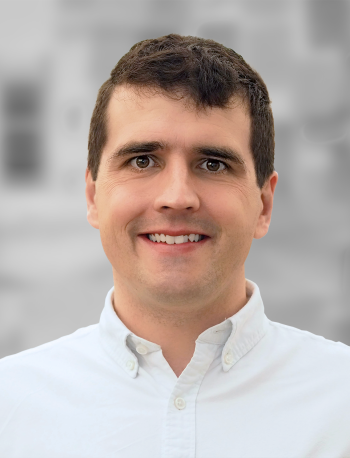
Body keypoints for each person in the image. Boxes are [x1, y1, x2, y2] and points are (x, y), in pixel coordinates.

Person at [1, 33, 350, 458]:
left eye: (212, 163)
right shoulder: (12, 406)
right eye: (142, 160)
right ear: (93, 197)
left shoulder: (340, 400)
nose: (178, 195)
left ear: (264, 203)